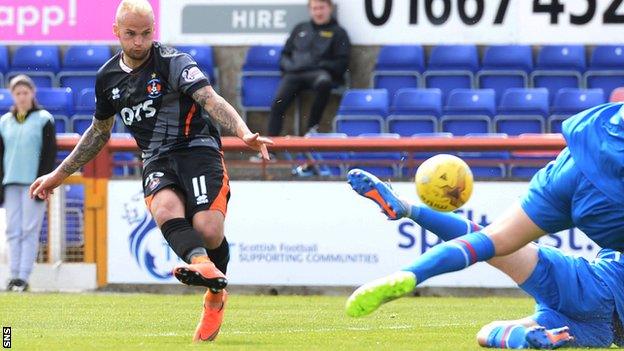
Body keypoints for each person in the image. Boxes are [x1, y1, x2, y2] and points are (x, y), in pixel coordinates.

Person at [29, 0, 273, 342]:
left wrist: (243, 132)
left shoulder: (174, 62)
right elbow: (100, 132)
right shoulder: (108, 78)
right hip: (156, 158)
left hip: (197, 148)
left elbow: (210, 99)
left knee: (208, 228)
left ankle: (215, 295)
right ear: (116, 32)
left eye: (145, 34)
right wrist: (58, 174)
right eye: (131, 34)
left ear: (152, 31)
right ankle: (201, 263)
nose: (139, 42)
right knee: (163, 208)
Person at [344, 102, 624, 349]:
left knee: (489, 242)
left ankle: (409, 218)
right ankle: (409, 210)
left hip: (587, 309)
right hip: (598, 292)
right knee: (490, 243)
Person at [1, 75, 57, 292]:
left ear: (32, 93)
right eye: (18, 93)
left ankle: (24, 276)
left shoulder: (44, 119)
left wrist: (44, 182)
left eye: (25, 92)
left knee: (29, 230)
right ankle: (13, 275)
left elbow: (49, 154)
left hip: (34, 184)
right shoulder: (4, 121)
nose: (22, 97)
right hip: (11, 183)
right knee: (12, 230)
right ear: (12, 96)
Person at [267, 0, 350, 138]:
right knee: (278, 102)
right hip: (294, 73)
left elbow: (342, 63)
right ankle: (270, 148)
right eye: (314, 8)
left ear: (329, 8)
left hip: (319, 74)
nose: (318, 12)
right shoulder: (300, 28)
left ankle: (311, 130)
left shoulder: (339, 33)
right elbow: (285, 55)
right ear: (310, 10)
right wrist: (290, 67)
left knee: (324, 82)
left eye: (321, 8)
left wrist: (320, 65)